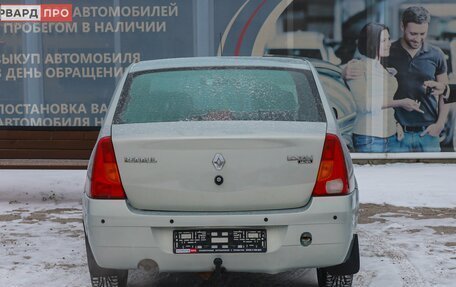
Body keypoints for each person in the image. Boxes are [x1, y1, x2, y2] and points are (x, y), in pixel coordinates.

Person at [345, 6, 450, 152]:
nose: (418, 39)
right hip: (396, 135)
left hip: (428, 133)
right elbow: (365, 66)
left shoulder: (436, 54)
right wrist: (345, 71)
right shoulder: (386, 51)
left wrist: (440, 124)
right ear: (402, 26)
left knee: (431, 174)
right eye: (413, 33)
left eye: (422, 34)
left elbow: (447, 93)